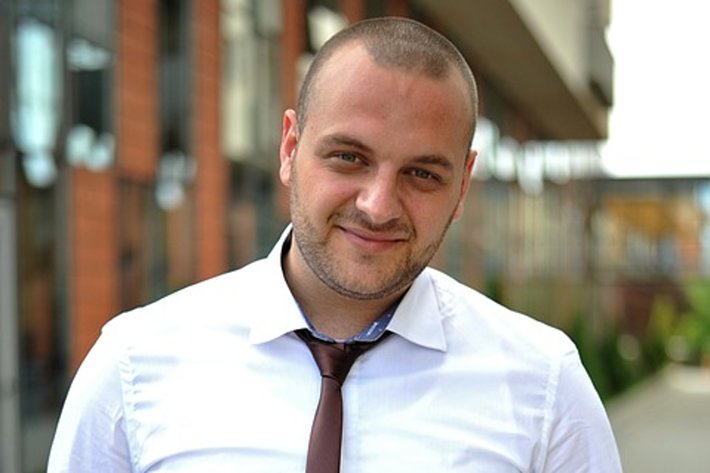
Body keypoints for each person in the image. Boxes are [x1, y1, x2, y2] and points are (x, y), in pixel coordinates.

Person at [48, 17, 622, 472]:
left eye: (422, 174)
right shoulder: (133, 366)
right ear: (289, 148)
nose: (378, 205)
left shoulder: (543, 387)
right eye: (349, 157)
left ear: (463, 185)